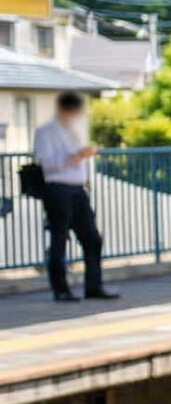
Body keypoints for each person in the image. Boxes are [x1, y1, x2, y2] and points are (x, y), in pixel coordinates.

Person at [34, 91, 114, 302]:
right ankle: (61, 289)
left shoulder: (73, 131)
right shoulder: (45, 132)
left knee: (92, 238)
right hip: (58, 188)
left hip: (78, 189)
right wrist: (76, 156)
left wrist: (83, 155)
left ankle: (94, 286)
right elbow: (47, 164)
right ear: (64, 110)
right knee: (59, 238)